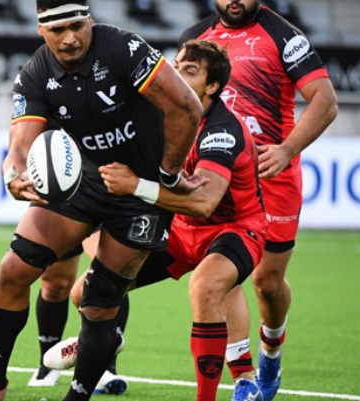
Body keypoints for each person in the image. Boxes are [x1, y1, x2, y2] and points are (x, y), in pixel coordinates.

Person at [0, 1, 204, 400]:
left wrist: (168, 175)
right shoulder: (35, 73)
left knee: (99, 301)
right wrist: (13, 173)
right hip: (82, 181)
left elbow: (186, 107)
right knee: (13, 270)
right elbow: (20, 144)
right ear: (41, 30)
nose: (70, 38)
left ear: (90, 20)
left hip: (138, 192)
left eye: (77, 25)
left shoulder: (124, 49)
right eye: (58, 30)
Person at [48, 39, 269, 401]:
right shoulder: (156, 115)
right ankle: (107, 339)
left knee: (206, 286)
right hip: (180, 229)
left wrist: (135, 185)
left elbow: (204, 204)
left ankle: (215, 393)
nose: (177, 74)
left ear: (213, 87)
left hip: (236, 229)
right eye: (176, 66)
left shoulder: (221, 130)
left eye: (190, 71)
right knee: (87, 292)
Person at [180, 2, 338, 400]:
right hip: (222, 172)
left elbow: (325, 100)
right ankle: (244, 377)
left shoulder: (284, 36)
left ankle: (272, 346)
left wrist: (287, 150)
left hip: (273, 174)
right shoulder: (196, 38)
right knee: (223, 269)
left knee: (267, 282)